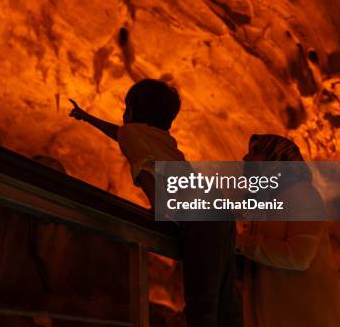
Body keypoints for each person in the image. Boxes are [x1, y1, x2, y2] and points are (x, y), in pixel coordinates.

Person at [69, 79, 242, 327]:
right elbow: (120, 134)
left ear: (130, 110)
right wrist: (87, 117)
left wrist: (158, 208)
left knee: (201, 299)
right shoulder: (160, 136)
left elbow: (144, 169)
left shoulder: (132, 134)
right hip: (218, 208)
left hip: (200, 216)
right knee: (225, 299)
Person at [236, 134, 340, 327]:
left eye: (256, 153)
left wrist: (239, 244)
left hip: (305, 316)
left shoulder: (302, 195)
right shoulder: (266, 201)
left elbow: (299, 256)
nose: (246, 159)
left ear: (276, 158)